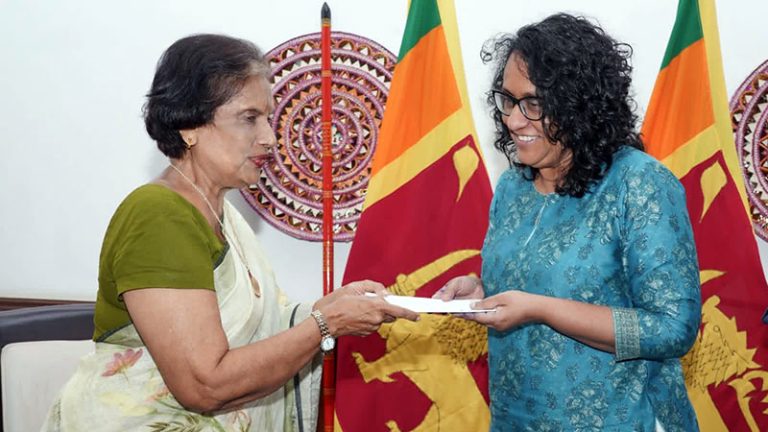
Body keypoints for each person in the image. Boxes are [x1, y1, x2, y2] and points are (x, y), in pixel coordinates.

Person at [42, 34, 419, 431]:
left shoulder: (221, 213)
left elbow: (261, 328)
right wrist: (326, 324)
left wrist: (330, 308)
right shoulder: (158, 215)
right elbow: (204, 385)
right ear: (189, 125)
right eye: (249, 118)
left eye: (268, 118)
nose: (269, 138)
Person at [436, 13, 701, 432]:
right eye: (508, 100)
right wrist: (482, 290)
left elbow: (673, 328)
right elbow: (541, 282)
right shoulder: (512, 188)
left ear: (580, 107)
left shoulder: (639, 183)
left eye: (534, 104)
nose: (513, 120)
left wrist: (541, 310)